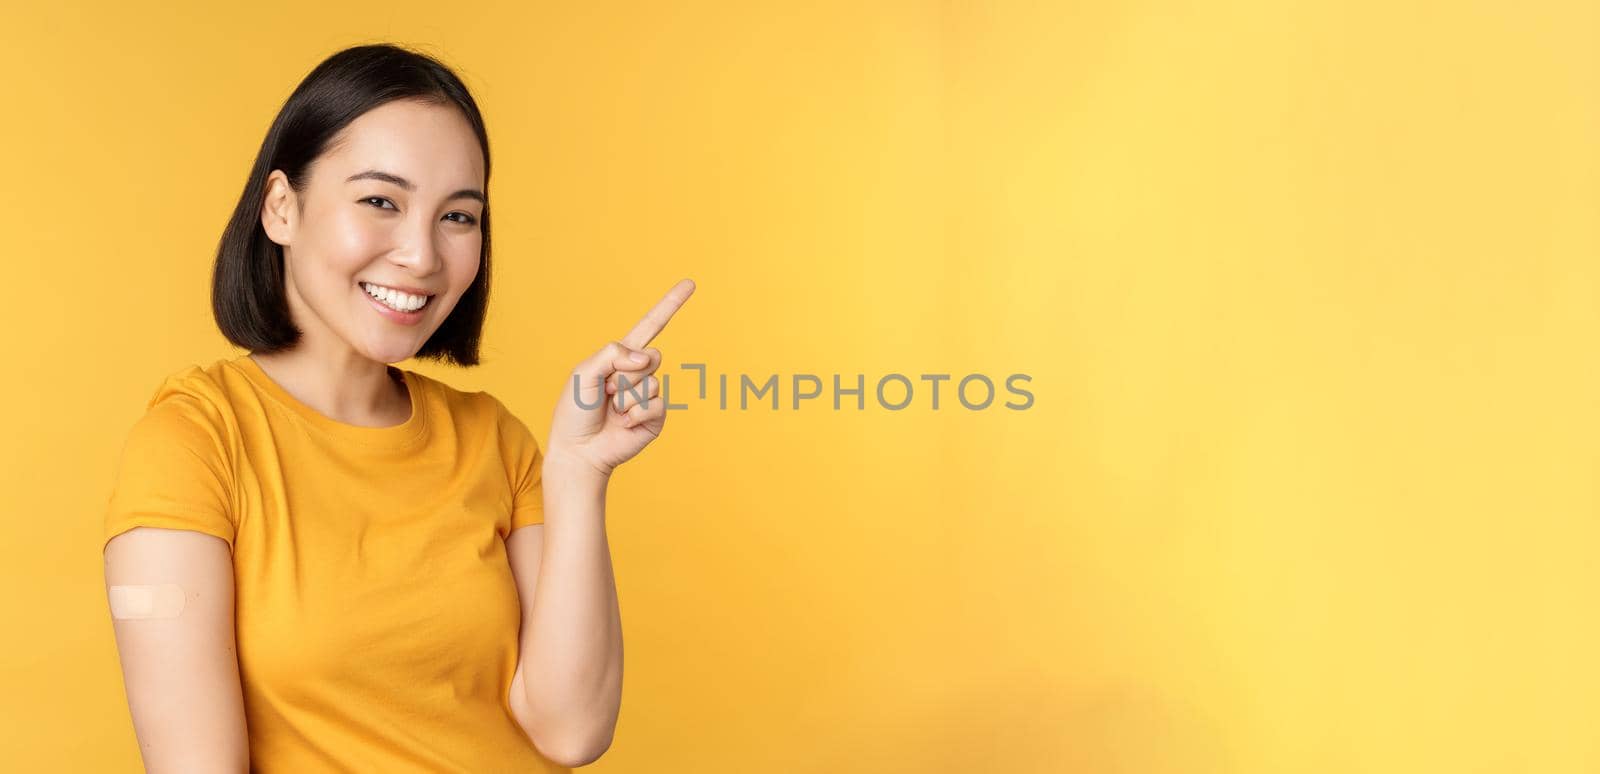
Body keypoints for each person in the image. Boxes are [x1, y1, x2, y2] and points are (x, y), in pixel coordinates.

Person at [99, 43, 693, 772]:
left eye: (459, 217)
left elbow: (571, 731)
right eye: (381, 201)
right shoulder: (195, 441)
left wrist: (578, 471)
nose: (422, 255)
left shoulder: (493, 440)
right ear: (282, 208)